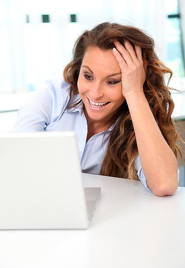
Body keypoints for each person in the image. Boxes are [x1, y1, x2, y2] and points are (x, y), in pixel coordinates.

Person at [15, 22, 181, 196]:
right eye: (88, 76)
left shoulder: (139, 115)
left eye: (112, 81)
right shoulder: (52, 97)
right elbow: (16, 160)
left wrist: (134, 92)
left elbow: (164, 184)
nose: (95, 94)